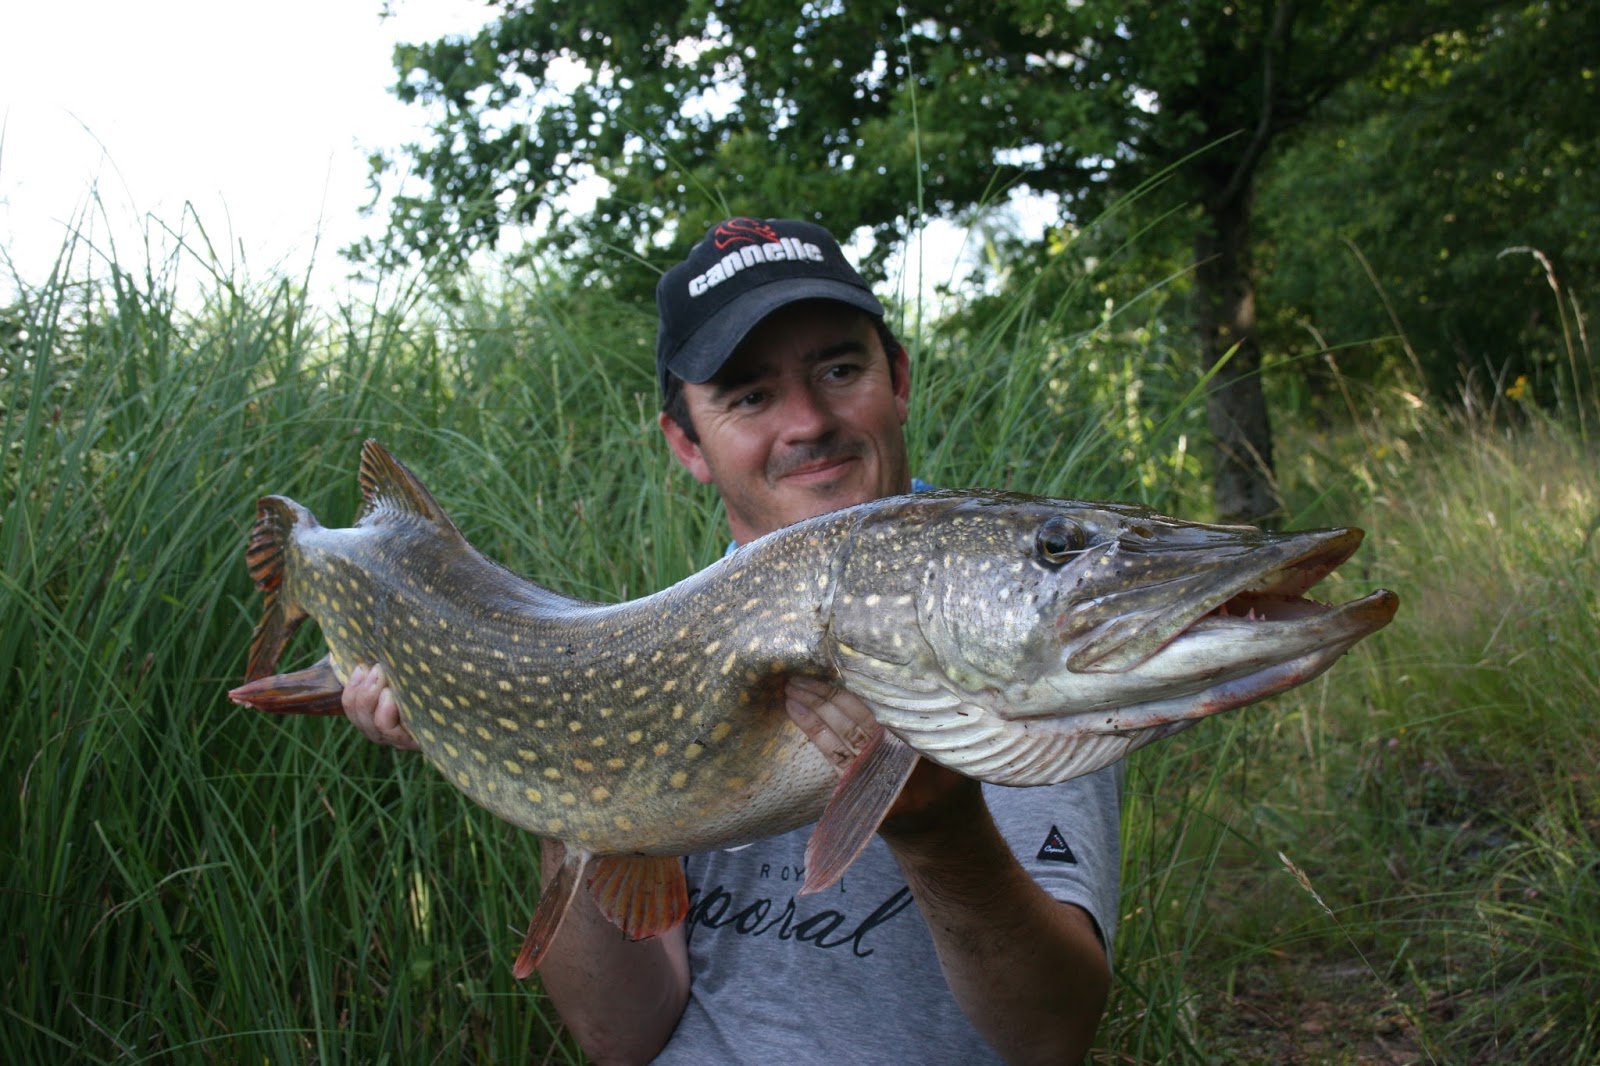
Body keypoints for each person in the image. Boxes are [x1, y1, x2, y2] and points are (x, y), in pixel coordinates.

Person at [343, 217, 1121, 1065]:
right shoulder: (656, 649)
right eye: (749, 396)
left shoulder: (1001, 617)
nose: (807, 422)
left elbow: (1051, 1039)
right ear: (687, 441)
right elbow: (622, 1035)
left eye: (839, 368)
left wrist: (942, 832)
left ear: (896, 377)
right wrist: (556, 774)